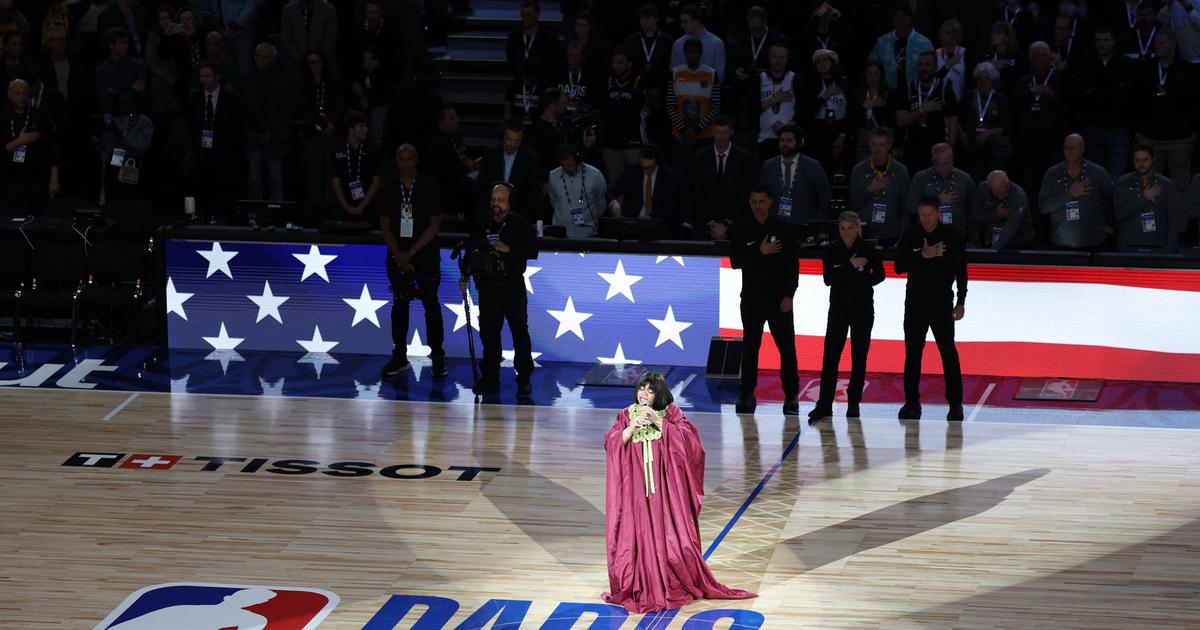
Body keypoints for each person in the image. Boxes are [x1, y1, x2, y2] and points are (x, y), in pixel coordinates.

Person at [603, 372, 756, 613]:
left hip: (665, 492)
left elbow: (691, 444)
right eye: (641, 388)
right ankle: (642, 581)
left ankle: (671, 578)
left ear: (659, 394)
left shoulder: (672, 414)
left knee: (671, 537)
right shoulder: (625, 415)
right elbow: (611, 441)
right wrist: (631, 428)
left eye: (650, 390)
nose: (644, 393)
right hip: (636, 490)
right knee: (638, 534)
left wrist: (658, 422)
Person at [894, 195, 967, 422]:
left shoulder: (951, 236)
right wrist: (922, 255)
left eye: (929, 214)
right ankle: (912, 403)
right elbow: (898, 266)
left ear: (938, 212)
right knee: (913, 354)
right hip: (915, 304)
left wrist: (961, 301)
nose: (925, 219)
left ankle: (955, 404)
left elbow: (961, 271)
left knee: (948, 353)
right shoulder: (911, 235)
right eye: (921, 215)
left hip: (942, 304)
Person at [729, 185, 800, 415]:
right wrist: (760, 251)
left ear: (770, 202)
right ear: (750, 203)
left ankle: (791, 395)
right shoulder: (741, 229)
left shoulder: (784, 229)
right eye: (754, 201)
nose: (758, 206)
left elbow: (792, 265)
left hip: (779, 300)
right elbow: (735, 261)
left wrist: (790, 294)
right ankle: (747, 394)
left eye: (762, 201)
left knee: (787, 348)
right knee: (750, 347)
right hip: (751, 299)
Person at [809, 211, 884, 422]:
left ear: (857, 228)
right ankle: (824, 404)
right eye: (843, 229)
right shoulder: (832, 250)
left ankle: (854, 403)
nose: (847, 233)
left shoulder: (868, 249)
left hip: (862, 309)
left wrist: (862, 276)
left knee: (859, 357)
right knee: (830, 357)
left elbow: (879, 275)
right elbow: (828, 278)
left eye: (850, 228)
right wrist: (851, 267)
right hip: (838, 310)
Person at [464, 183, 538, 395]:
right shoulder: (481, 222)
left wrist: (508, 249)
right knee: (489, 333)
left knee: (519, 332)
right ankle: (490, 377)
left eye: (501, 200)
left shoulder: (520, 224)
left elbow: (532, 251)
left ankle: (523, 376)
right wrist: (465, 274)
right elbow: (470, 249)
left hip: (512, 286)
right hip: (487, 287)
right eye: (494, 200)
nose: (496, 204)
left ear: (509, 202)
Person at [380, 144, 447, 379]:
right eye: (402, 159)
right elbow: (385, 224)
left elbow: (435, 224)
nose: (406, 163)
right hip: (398, 256)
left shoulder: (429, 186)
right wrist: (398, 253)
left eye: (410, 159)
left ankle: (438, 357)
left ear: (416, 160)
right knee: (399, 305)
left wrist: (412, 252)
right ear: (396, 160)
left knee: (431, 304)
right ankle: (399, 356)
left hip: (425, 256)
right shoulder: (389, 188)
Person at [1132, 31, 1197, 194]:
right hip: (1150, 139)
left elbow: (1195, 102)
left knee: (1180, 187)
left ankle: (1180, 220)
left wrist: (1194, 132)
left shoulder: (1187, 69)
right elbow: (1136, 100)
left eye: (1161, 43)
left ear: (1173, 44)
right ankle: (1155, 220)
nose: (1157, 46)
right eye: (1156, 43)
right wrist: (1139, 131)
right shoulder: (1145, 69)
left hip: (1181, 139)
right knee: (1151, 186)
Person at [1039, 133, 1114, 250]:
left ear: (1083, 148)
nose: (1069, 151)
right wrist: (1069, 195)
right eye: (1066, 148)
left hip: (1093, 242)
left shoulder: (1098, 172)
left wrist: (1109, 226)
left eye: (1073, 147)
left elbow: (1113, 199)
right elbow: (1043, 207)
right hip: (1061, 242)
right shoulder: (1052, 173)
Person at [1079, 25, 1133, 179]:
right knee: (1095, 179)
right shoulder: (1086, 63)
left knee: (1117, 178)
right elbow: (1082, 94)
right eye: (1098, 40)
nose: (1102, 44)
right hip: (1093, 129)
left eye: (1106, 40)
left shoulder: (1126, 64)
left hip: (1118, 129)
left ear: (1114, 41)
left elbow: (1126, 96)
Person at [690, 115, 754, 239]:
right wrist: (711, 222)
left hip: (735, 222)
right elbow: (698, 192)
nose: (721, 136)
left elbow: (745, 193)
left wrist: (727, 223)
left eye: (725, 132)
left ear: (731, 132)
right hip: (706, 222)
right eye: (718, 132)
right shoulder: (700, 157)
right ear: (712, 132)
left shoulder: (744, 158)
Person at [1, 78, 58, 212]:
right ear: (10, 94)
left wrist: (54, 179)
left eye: (25, 93)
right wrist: (19, 142)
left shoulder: (40, 116)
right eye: (17, 93)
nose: (22, 97)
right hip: (9, 181)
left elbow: (54, 149)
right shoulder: (3, 118)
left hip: (36, 180)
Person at [897, 51, 959, 173]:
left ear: (935, 67)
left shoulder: (945, 89)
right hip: (913, 149)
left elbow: (953, 123)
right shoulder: (908, 89)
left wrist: (951, 149)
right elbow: (900, 121)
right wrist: (922, 110)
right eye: (920, 65)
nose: (923, 68)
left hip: (938, 152)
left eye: (927, 65)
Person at [757, 124, 831, 224]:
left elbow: (824, 196)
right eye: (782, 140)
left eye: (789, 141)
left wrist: (818, 222)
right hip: (775, 224)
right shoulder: (768, 166)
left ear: (799, 142)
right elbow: (761, 195)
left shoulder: (813, 166)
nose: (784, 144)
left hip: (804, 224)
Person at [849, 126, 911, 244]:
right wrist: (869, 190)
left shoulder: (901, 171)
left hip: (892, 235)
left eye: (882, 145)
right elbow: (852, 205)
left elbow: (905, 209)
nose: (877, 149)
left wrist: (902, 238)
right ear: (869, 144)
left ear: (889, 146)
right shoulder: (859, 170)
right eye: (874, 144)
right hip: (863, 235)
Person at [1114, 144, 1180, 251]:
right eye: (1137, 160)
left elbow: (1173, 220)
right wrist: (1144, 198)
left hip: (1158, 246)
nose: (1141, 164)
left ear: (1153, 159)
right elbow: (1119, 214)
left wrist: (1170, 249)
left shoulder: (1166, 184)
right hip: (1129, 247)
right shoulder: (1123, 183)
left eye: (1145, 160)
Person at [905, 143, 975, 241]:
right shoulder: (921, 178)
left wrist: (972, 238)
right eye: (942, 164)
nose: (946, 167)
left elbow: (973, 211)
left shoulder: (965, 179)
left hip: (958, 237)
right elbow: (910, 207)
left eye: (948, 163)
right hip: (928, 237)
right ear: (933, 162)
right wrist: (936, 200)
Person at [476, 117, 542, 220]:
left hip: (519, 215)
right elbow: (482, 185)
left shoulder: (530, 159)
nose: (512, 144)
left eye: (517, 141)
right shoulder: (490, 155)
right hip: (492, 212)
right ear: (503, 137)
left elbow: (532, 192)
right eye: (509, 139)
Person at [608, 145, 680, 236]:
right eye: (643, 168)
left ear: (657, 163)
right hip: (633, 221)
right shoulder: (632, 172)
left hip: (659, 223)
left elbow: (672, 206)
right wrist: (613, 202)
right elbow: (610, 190)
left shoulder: (669, 176)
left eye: (649, 168)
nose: (646, 171)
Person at [960, 61, 1013, 181]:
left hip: (996, 151)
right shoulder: (968, 96)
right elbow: (959, 119)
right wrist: (962, 135)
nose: (982, 81)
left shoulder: (1001, 99)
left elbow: (1009, 127)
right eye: (979, 78)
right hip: (972, 148)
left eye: (986, 78)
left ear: (993, 80)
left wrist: (988, 133)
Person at [331, 110, 383, 221]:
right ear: (351, 129)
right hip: (344, 206)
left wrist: (361, 207)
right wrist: (346, 207)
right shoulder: (338, 149)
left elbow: (376, 182)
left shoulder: (372, 149)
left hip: (368, 206)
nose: (366, 130)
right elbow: (336, 182)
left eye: (366, 126)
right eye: (361, 126)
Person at [867, 8, 934, 91]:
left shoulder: (924, 43)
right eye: (896, 16)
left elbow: (933, 71)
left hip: (917, 93)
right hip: (888, 94)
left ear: (911, 18)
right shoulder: (882, 42)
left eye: (903, 15)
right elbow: (871, 67)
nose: (899, 19)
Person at [547, 143, 606, 237]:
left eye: (570, 165)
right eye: (563, 166)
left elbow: (601, 202)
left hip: (588, 232)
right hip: (561, 233)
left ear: (578, 160)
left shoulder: (595, 175)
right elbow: (553, 201)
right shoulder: (553, 175)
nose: (566, 169)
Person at [972, 170, 1035, 249]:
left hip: (1019, 242)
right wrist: (996, 215)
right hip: (991, 241)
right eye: (996, 194)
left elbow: (1010, 227)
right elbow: (976, 216)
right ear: (989, 188)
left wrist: (993, 251)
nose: (1000, 196)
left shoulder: (1018, 195)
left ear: (1008, 184)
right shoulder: (982, 189)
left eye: (1003, 193)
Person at [756, 41, 795, 161]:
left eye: (782, 57)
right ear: (769, 58)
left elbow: (804, 110)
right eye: (775, 56)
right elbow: (751, 109)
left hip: (790, 140)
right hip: (765, 140)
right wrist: (775, 99)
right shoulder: (759, 79)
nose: (778, 60)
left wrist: (788, 128)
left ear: (787, 59)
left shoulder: (795, 79)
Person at [669, 4, 726, 83]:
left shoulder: (717, 43)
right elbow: (674, 74)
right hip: (684, 92)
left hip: (709, 92)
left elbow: (719, 76)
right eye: (681, 22)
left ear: (696, 21)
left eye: (685, 22)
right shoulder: (678, 44)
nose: (682, 25)